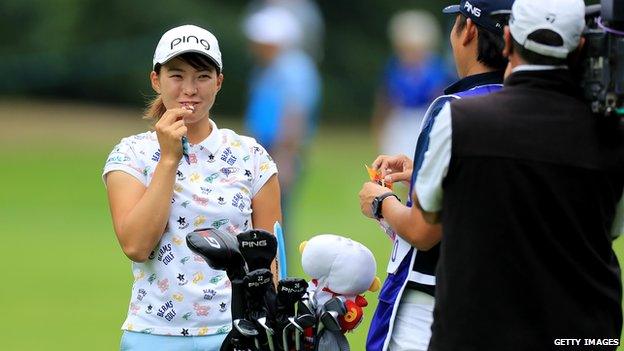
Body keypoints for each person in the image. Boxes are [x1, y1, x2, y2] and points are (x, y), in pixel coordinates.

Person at [401, 0, 623, 349]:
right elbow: (606, 229)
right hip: (583, 334)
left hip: (477, 333)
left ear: (507, 40)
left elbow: (425, 222)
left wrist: (381, 201)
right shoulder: (611, 134)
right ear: (579, 47)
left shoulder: (460, 120)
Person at [102, 24, 281, 350]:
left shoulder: (251, 156)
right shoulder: (131, 155)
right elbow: (136, 245)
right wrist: (169, 159)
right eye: (176, 75)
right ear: (156, 80)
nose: (190, 89)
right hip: (154, 334)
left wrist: (272, 321)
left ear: (218, 82)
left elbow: (269, 258)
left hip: (239, 332)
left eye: (202, 76)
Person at [358, 1, 513, 350]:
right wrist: (423, 175)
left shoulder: (454, 108)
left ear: (468, 31)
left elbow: (424, 233)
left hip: (431, 304)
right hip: (508, 303)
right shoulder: (532, 103)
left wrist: (381, 202)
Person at [243, 6, 321, 215]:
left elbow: (296, 114)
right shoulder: (266, 67)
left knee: (275, 214)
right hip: (264, 148)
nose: (255, 46)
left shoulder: (294, 68)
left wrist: (286, 156)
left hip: (281, 151)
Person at [372, 10, 451, 157]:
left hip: (423, 119)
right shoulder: (394, 66)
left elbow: (439, 99)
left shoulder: (435, 68)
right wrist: (380, 128)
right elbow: (385, 99)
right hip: (399, 121)